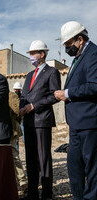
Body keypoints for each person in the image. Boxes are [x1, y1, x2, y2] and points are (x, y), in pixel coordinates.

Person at [54, 21, 97, 200]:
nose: (67, 49)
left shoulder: (93, 55)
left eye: (68, 45)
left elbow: (94, 85)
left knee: (92, 167)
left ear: (79, 39)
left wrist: (68, 93)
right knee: (74, 165)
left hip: (89, 122)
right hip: (76, 124)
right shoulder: (78, 57)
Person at [20, 40, 61, 200]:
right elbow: (24, 95)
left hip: (42, 120)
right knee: (30, 158)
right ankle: (32, 192)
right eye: (29, 54)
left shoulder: (52, 72)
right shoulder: (30, 75)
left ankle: (47, 194)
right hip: (28, 122)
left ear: (42, 54)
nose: (31, 56)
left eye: (33, 53)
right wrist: (22, 106)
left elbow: (54, 95)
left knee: (43, 158)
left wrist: (34, 106)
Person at [9, 90, 28, 197]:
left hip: (10, 130)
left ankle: (22, 182)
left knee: (14, 156)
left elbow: (17, 112)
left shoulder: (11, 95)